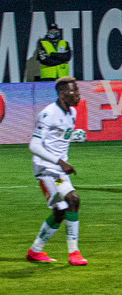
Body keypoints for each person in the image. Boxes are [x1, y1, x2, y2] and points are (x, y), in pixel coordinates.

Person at [26, 76, 88, 266]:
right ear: (61, 93)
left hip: (58, 170)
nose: (77, 94)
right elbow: (34, 145)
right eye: (73, 91)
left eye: (77, 90)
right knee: (71, 201)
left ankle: (35, 250)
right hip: (45, 169)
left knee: (61, 210)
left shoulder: (72, 113)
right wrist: (60, 162)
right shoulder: (48, 114)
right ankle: (74, 253)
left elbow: (59, 139)